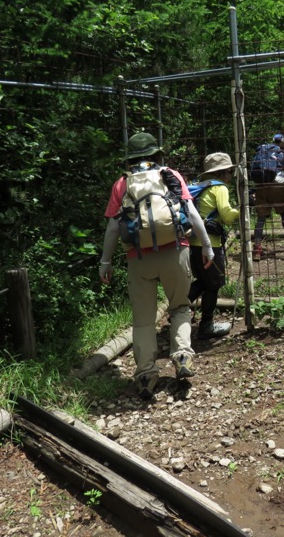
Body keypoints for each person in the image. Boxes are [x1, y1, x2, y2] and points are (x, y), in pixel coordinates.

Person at [99, 132, 215, 400]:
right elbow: (191, 212)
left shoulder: (122, 184)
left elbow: (114, 226)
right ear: (155, 154)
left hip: (138, 258)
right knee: (180, 307)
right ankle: (183, 356)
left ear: (131, 157)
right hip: (175, 251)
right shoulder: (170, 175)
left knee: (143, 320)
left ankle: (146, 375)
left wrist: (105, 262)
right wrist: (207, 246)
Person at [188, 152, 240, 340]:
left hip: (192, 243)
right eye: (230, 172)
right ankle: (206, 326)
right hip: (210, 244)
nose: (230, 176)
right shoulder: (220, 188)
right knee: (213, 284)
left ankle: (178, 310)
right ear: (224, 172)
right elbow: (226, 217)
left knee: (203, 280)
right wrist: (242, 210)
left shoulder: (199, 186)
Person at [252, 133, 284, 261]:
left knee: (261, 218)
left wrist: (253, 190)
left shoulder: (261, 153)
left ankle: (257, 248)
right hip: (277, 187)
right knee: (283, 213)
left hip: (260, 187)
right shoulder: (283, 155)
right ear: (283, 143)